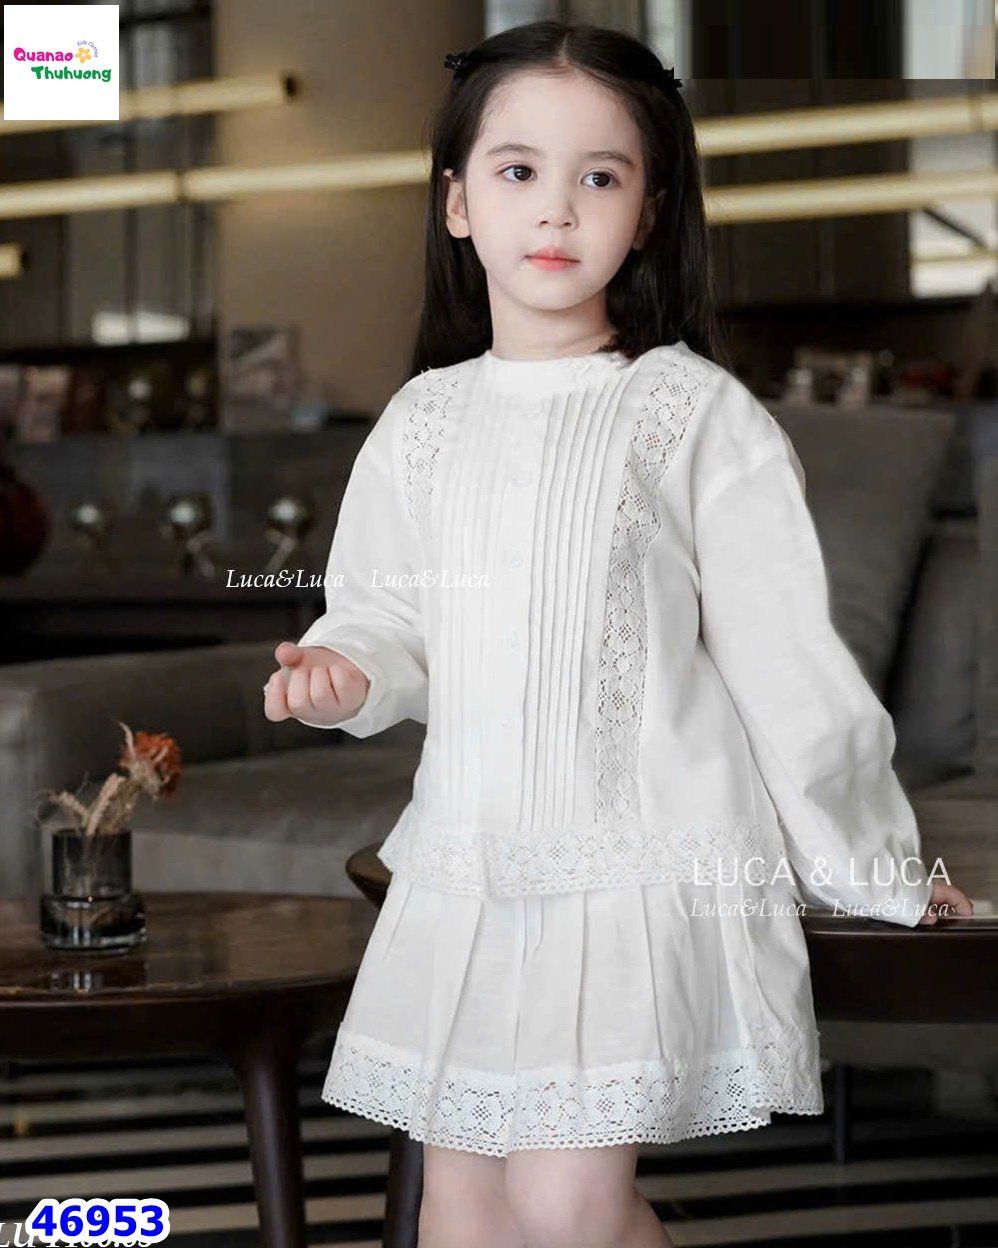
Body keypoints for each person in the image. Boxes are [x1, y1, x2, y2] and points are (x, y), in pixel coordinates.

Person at [263, 19, 973, 1248]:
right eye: (517, 170)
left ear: (646, 213)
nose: (556, 207)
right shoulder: (421, 422)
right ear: (456, 204)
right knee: (462, 1211)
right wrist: (347, 673)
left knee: (566, 1201)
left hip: (639, 865)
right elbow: (388, 616)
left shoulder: (693, 414)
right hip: (468, 864)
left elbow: (786, 664)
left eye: (599, 175)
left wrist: (875, 866)